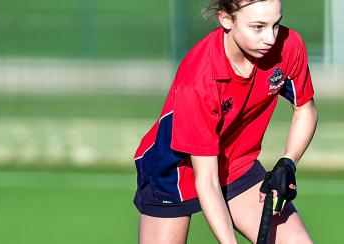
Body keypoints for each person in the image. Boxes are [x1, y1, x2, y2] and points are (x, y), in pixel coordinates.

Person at [132, 0, 317, 243]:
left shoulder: (287, 45)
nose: (271, 39)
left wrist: (288, 161)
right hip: (174, 172)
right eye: (258, 27)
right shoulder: (199, 78)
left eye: (276, 24)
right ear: (226, 19)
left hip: (236, 165)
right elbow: (206, 180)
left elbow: (305, 110)